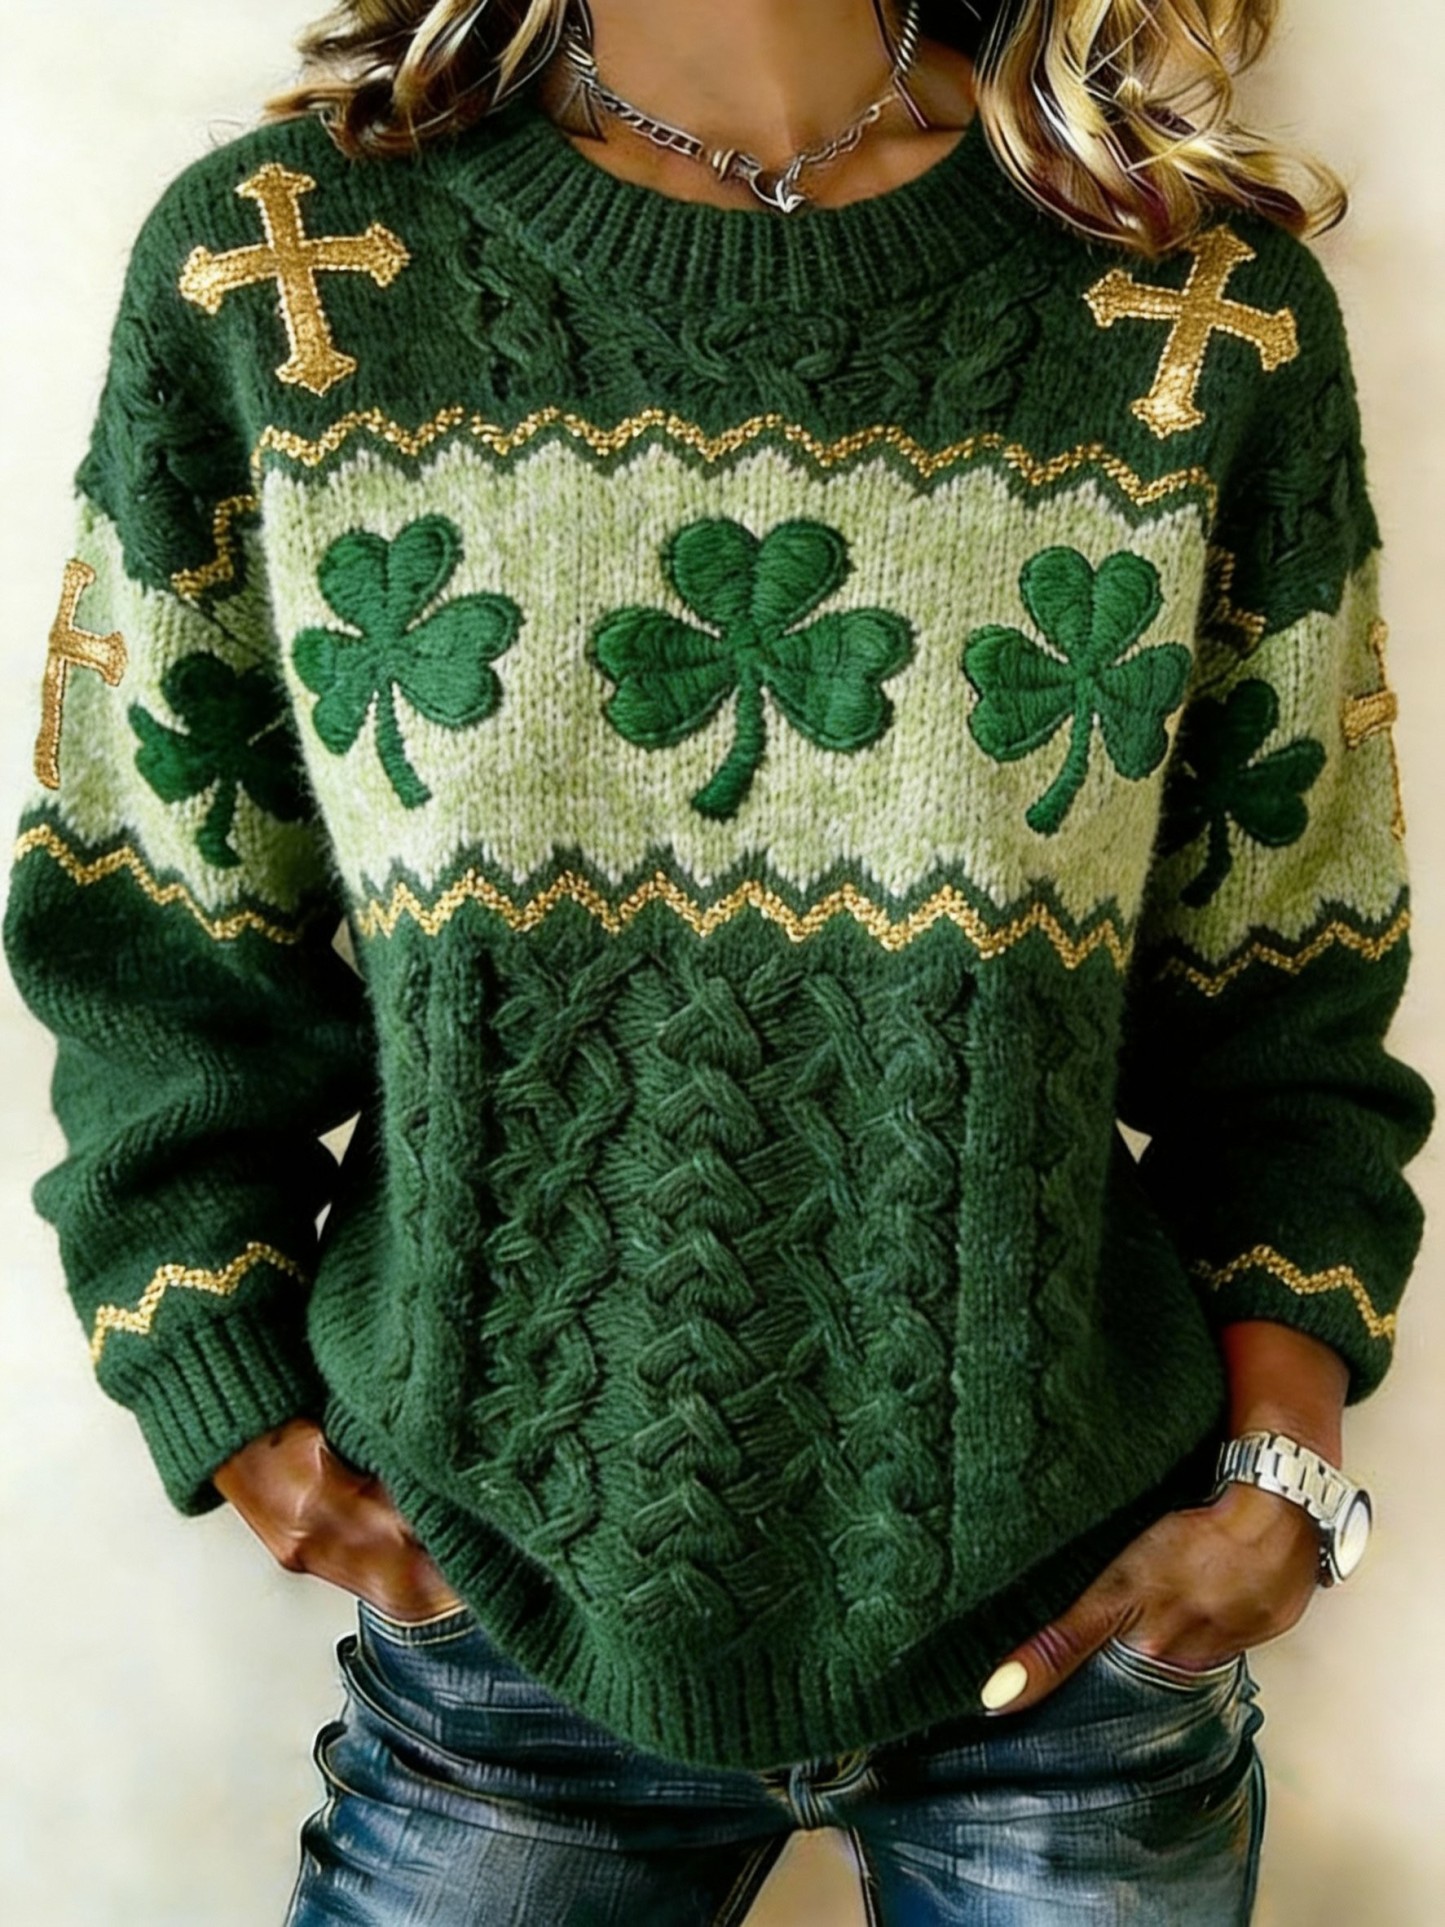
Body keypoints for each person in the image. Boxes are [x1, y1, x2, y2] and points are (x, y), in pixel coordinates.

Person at [4, 0, 1432, 1919]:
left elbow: (1287, 988)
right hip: (493, 1610)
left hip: (1078, 1622)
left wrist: (1285, 1473)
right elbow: (157, 933)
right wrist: (227, 1395)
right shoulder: (286, 279)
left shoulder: (1186, 314)